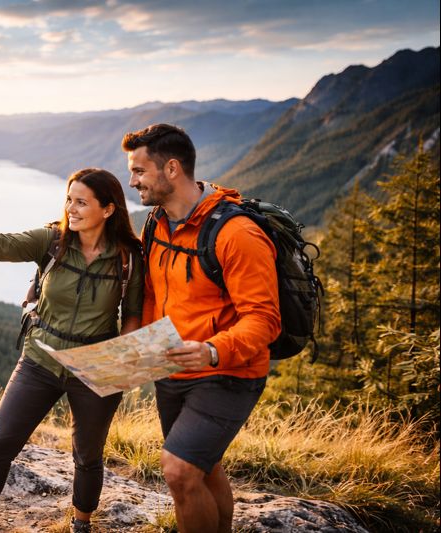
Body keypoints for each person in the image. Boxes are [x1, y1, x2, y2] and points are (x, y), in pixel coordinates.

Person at [0, 168, 143, 533]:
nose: (71, 208)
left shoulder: (128, 257)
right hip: (40, 360)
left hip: (94, 367)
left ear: (108, 210)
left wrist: (119, 364)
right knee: (0, 444)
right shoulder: (53, 240)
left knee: (88, 455)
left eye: (81, 202)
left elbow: (133, 315)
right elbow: (6, 243)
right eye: (69, 199)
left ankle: (81, 524)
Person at [121, 124, 280, 533]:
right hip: (174, 367)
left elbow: (264, 320)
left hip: (230, 371)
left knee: (178, 470)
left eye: (139, 171)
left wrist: (212, 351)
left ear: (171, 169)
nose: (132, 180)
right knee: (203, 469)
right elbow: (155, 294)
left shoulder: (237, 233)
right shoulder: (156, 223)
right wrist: (140, 342)